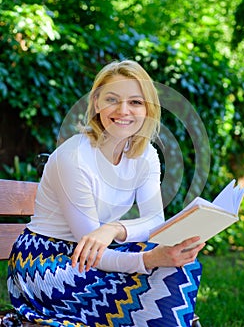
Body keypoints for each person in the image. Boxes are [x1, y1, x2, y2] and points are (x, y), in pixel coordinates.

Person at [7, 60, 205, 327]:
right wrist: (146, 259)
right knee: (150, 277)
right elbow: (90, 252)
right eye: (113, 99)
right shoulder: (74, 157)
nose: (124, 110)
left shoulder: (146, 154)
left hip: (97, 251)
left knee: (181, 264)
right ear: (97, 103)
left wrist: (114, 229)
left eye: (135, 102)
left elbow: (155, 220)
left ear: (148, 109)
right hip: (46, 262)